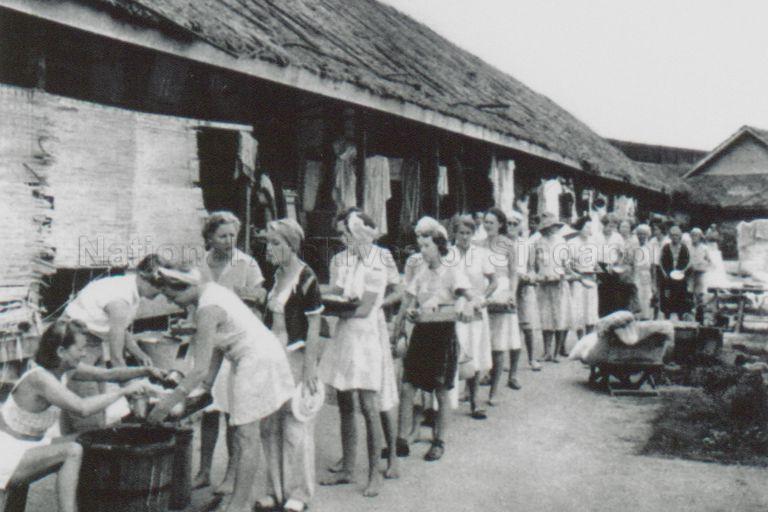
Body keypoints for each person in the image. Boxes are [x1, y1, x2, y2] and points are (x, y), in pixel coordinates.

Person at [146, 264, 295, 512]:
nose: (173, 303)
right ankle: (242, 499)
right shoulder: (209, 292)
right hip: (252, 357)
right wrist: (206, 388)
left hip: (257, 360)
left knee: (246, 435)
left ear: (186, 287)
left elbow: (199, 368)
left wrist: (166, 404)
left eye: (173, 296)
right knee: (245, 433)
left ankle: (238, 506)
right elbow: (215, 347)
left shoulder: (207, 308)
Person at [0, 320, 159, 512]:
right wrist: (122, 392)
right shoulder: (40, 379)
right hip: (8, 453)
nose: (84, 354)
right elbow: (82, 408)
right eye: (80, 349)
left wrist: (146, 371)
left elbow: (108, 374)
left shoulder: (64, 370)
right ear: (61, 351)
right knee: (72, 451)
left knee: (88, 439)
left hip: (29, 446)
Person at [318, 211, 395, 496]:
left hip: (366, 338)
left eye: (345, 234)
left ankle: (375, 474)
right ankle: (348, 468)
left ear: (359, 234)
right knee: (345, 402)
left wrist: (335, 308)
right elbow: (339, 292)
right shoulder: (346, 261)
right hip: (345, 336)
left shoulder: (377, 263)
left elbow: (364, 309)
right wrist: (320, 299)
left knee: (368, 406)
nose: (342, 239)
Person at [195, 211, 266, 493]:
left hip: (233, 344)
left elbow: (260, 298)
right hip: (206, 343)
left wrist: (245, 296)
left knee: (230, 411)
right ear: (210, 237)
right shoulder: (200, 264)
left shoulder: (246, 263)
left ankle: (231, 474)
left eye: (233, 235)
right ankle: (203, 471)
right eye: (222, 236)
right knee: (207, 408)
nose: (229, 240)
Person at [391, 223, 474, 461]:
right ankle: (401, 441)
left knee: (441, 389)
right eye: (420, 246)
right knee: (408, 387)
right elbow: (409, 301)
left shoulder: (452, 271)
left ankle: (439, 441)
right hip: (421, 333)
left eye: (426, 246)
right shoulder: (422, 272)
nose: (422, 251)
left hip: (443, 335)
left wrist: (467, 306)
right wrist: (403, 322)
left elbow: (471, 298)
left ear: (439, 246)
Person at [257, 219, 323, 511]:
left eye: (276, 243)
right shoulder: (276, 275)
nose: (269, 249)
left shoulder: (306, 277)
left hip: (294, 356)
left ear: (291, 245)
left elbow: (314, 324)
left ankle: (299, 493)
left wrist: (310, 367)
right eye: (268, 243)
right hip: (271, 356)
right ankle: (275, 490)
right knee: (269, 424)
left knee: (296, 423)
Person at [59, 254, 164, 433]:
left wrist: (138, 353)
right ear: (142, 277)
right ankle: (81, 444)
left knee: (97, 404)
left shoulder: (130, 290)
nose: (160, 291)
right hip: (76, 343)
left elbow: (120, 328)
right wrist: (131, 390)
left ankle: (73, 444)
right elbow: (116, 358)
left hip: (94, 340)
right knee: (89, 415)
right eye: (158, 285)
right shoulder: (120, 299)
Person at [451, 214, 496, 419]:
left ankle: (474, 401)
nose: (464, 237)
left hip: (476, 308)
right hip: (453, 308)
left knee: (474, 352)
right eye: (461, 232)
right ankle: (445, 403)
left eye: (468, 233)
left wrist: (482, 299)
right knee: (453, 352)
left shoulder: (480, 254)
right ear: (454, 233)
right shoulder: (448, 254)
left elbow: (494, 281)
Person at [476, 208, 520, 401]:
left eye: (491, 222)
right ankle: (470, 390)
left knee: (499, 345)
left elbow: (513, 273)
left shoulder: (508, 244)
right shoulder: (478, 243)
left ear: (500, 224)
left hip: (502, 292)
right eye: (485, 222)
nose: (487, 225)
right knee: (479, 341)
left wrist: (511, 293)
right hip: (483, 291)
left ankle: (493, 393)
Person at [508, 210, 542, 371]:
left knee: (527, 324)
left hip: (524, 288)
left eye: (515, 224)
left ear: (520, 226)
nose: (511, 226)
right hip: (507, 287)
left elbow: (532, 268)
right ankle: (504, 362)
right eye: (509, 223)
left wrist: (530, 277)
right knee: (507, 324)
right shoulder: (501, 243)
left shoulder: (526, 245)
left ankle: (531, 358)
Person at [534, 212, 570, 361]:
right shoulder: (539, 242)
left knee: (559, 317)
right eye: (549, 226)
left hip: (558, 283)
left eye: (554, 226)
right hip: (544, 283)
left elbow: (566, 264)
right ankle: (547, 351)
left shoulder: (561, 242)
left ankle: (556, 352)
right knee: (546, 317)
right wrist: (539, 276)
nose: (551, 229)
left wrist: (561, 275)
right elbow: (535, 264)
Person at [567, 216, 599, 339]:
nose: (588, 230)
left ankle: (589, 339)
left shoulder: (593, 243)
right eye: (586, 227)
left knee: (591, 310)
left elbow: (596, 263)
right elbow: (567, 264)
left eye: (590, 227)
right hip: (578, 280)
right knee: (579, 310)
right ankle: (580, 339)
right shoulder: (572, 243)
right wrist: (575, 275)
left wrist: (597, 272)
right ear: (580, 228)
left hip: (591, 279)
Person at [659, 225, 692, 320]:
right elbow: (660, 261)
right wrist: (664, 272)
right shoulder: (666, 247)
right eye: (672, 235)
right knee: (667, 295)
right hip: (668, 276)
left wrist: (683, 271)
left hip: (680, 276)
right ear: (670, 236)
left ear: (680, 236)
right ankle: (667, 315)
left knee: (681, 296)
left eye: (676, 235)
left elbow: (689, 261)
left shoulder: (684, 247)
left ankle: (680, 315)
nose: (674, 237)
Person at [630, 224, 655, 320]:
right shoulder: (634, 247)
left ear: (647, 235)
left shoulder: (651, 247)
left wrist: (654, 282)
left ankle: (646, 318)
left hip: (647, 274)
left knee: (647, 296)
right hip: (636, 274)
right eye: (639, 234)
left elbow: (653, 266)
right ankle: (637, 318)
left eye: (644, 234)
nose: (641, 236)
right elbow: (631, 263)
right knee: (637, 296)